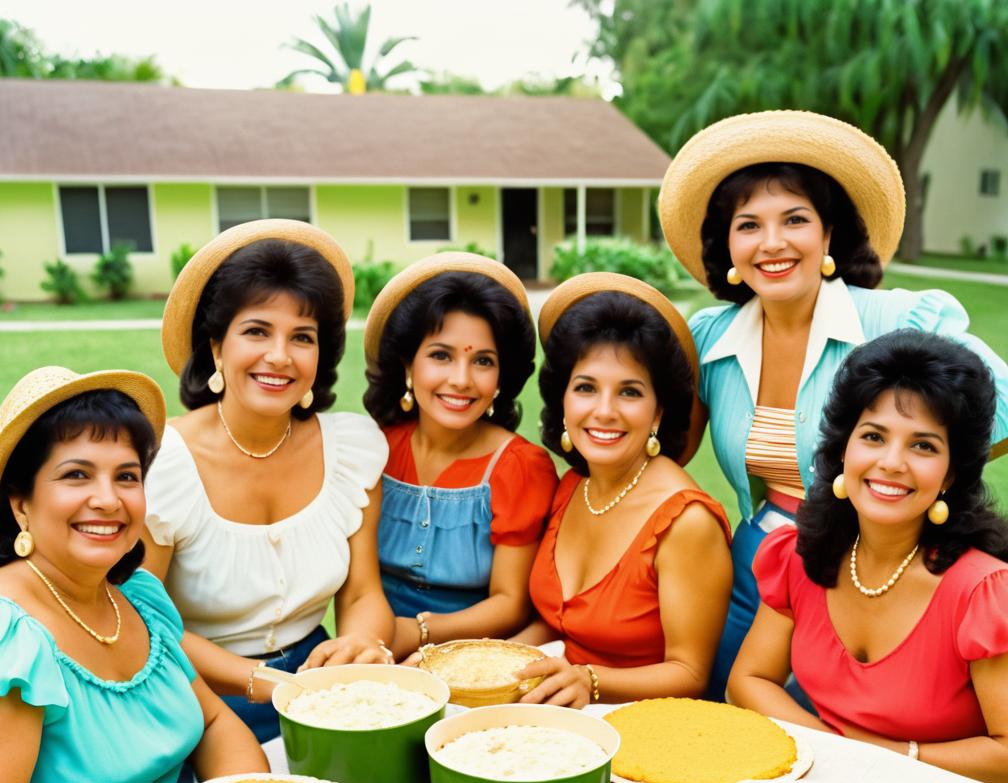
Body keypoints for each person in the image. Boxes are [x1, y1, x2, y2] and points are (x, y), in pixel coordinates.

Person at [658, 109, 1008, 700]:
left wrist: (922, 485)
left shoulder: (896, 321)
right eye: (749, 226)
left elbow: (998, 408)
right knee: (729, 709)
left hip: (868, 567)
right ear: (729, 247)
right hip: (757, 558)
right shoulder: (709, 336)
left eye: (795, 219)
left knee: (835, 736)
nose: (772, 243)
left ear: (828, 235)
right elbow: (665, 448)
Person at [0, 367, 268, 783]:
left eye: (127, 476)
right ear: (20, 504)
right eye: (76, 475)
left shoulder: (138, 597)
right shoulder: (5, 634)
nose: (107, 500)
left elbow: (212, 722)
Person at [143, 220, 393, 743]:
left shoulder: (351, 449)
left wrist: (360, 647)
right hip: (196, 694)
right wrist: (262, 683)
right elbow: (146, 620)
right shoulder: (161, 464)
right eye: (257, 331)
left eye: (302, 337)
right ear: (215, 346)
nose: (280, 356)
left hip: (321, 684)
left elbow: (364, 592)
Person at [729, 331, 1008, 783]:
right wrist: (830, 751)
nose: (892, 462)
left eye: (923, 445)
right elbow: (748, 680)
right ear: (844, 450)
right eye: (874, 436)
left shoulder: (984, 594)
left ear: (950, 474)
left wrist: (890, 756)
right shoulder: (802, 555)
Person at [512, 273, 732, 707]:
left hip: (645, 730)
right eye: (586, 388)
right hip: (560, 712)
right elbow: (559, 624)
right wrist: (499, 658)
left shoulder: (687, 523)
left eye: (629, 392)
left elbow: (689, 674)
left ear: (658, 412)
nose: (604, 410)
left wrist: (589, 681)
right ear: (563, 401)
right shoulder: (574, 486)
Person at [363, 253, 559, 660]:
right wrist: (373, 641)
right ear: (407, 365)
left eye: (482, 361)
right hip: (371, 645)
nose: (461, 380)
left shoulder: (520, 468)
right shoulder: (373, 451)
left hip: (475, 659)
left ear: (502, 379)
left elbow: (511, 602)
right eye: (441, 355)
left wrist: (418, 633)